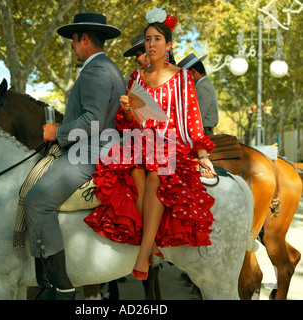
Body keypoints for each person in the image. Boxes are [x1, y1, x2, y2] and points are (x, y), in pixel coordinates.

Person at [84, 8, 216, 280]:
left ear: (168, 45)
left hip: (170, 143)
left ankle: (144, 254)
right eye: (147, 39)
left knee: (156, 173)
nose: (151, 44)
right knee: (133, 172)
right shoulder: (135, 77)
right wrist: (128, 109)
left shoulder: (182, 77)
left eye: (157, 39)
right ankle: (150, 241)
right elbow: (129, 122)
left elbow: (192, 119)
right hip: (140, 142)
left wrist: (202, 154)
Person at [23, 13, 126, 299]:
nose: (71, 47)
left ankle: (60, 286)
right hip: (98, 147)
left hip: (91, 152)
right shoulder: (109, 67)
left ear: (84, 39)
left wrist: (57, 132)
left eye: (73, 41)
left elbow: (93, 121)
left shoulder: (96, 70)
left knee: (36, 201)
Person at [178, 53, 219, 136]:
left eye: (186, 76)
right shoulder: (205, 83)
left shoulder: (202, 86)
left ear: (193, 72)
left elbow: (197, 116)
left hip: (204, 133)